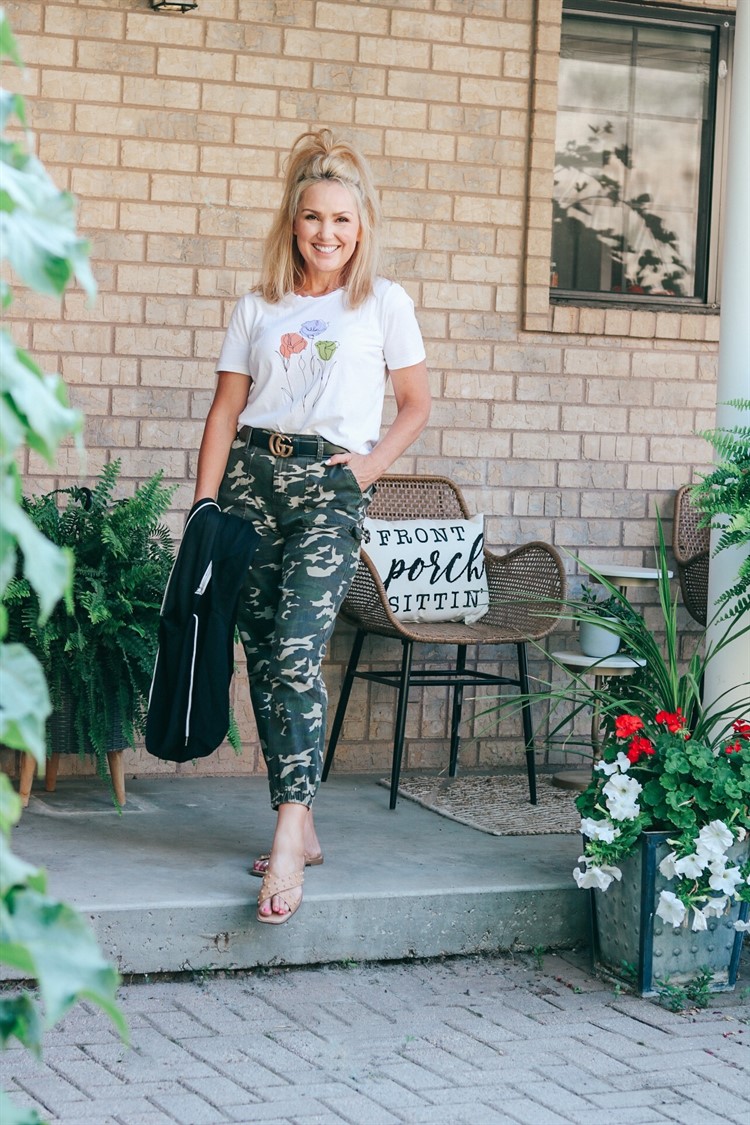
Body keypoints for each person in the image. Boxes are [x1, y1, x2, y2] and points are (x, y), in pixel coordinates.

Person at [193, 128, 431, 925]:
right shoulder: (258, 304)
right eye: (312, 218)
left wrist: (366, 470)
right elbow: (226, 410)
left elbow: (416, 405)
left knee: (298, 646)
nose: (327, 233)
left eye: (342, 220)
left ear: (361, 227)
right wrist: (203, 506)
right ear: (291, 223)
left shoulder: (384, 302)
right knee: (263, 655)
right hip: (251, 482)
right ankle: (303, 815)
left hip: (329, 485)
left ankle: (289, 835)